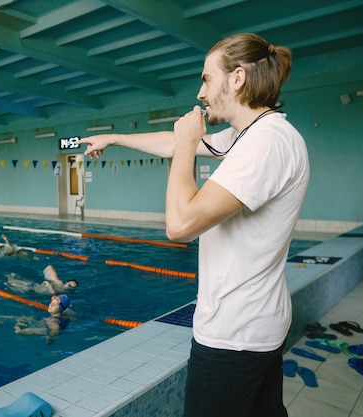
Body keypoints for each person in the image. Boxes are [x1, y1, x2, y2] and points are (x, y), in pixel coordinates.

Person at [78, 33, 309, 417]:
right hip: (255, 326)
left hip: (233, 336)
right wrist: (115, 137)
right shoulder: (248, 134)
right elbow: (172, 142)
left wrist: (187, 145)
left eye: (206, 78)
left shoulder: (265, 143)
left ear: (236, 79)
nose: (200, 92)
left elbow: (180, 224)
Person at [5, 265, 78, 295]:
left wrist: (49, 285)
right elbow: (50, 267)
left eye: (71, 286)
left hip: (33, 289)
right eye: (70, 284)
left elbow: (53, 293)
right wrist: (45, 275)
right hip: (33, 286)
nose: (69, 285)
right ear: (67, 282)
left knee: (10, 282)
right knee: (11, 278)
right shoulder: (59, 282)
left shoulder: (63, 291)